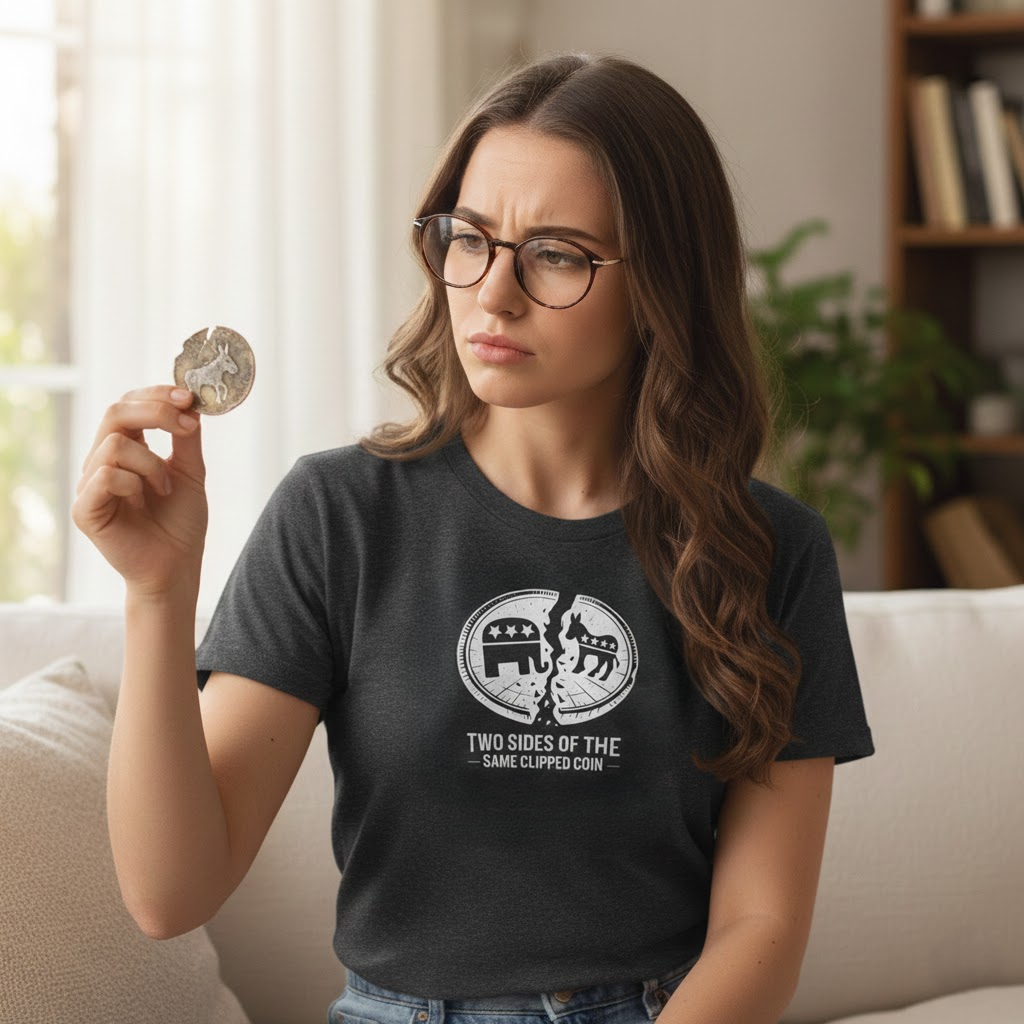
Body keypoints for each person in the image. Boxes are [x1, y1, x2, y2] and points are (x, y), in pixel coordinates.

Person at [72, 52, 874, 1024]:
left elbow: (761, 926)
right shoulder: (338, 513)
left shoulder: (771, 549)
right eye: (470, 238)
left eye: (557, 254)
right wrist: (158, 594)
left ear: (663, 281)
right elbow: (168, 895)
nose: (493, 293)